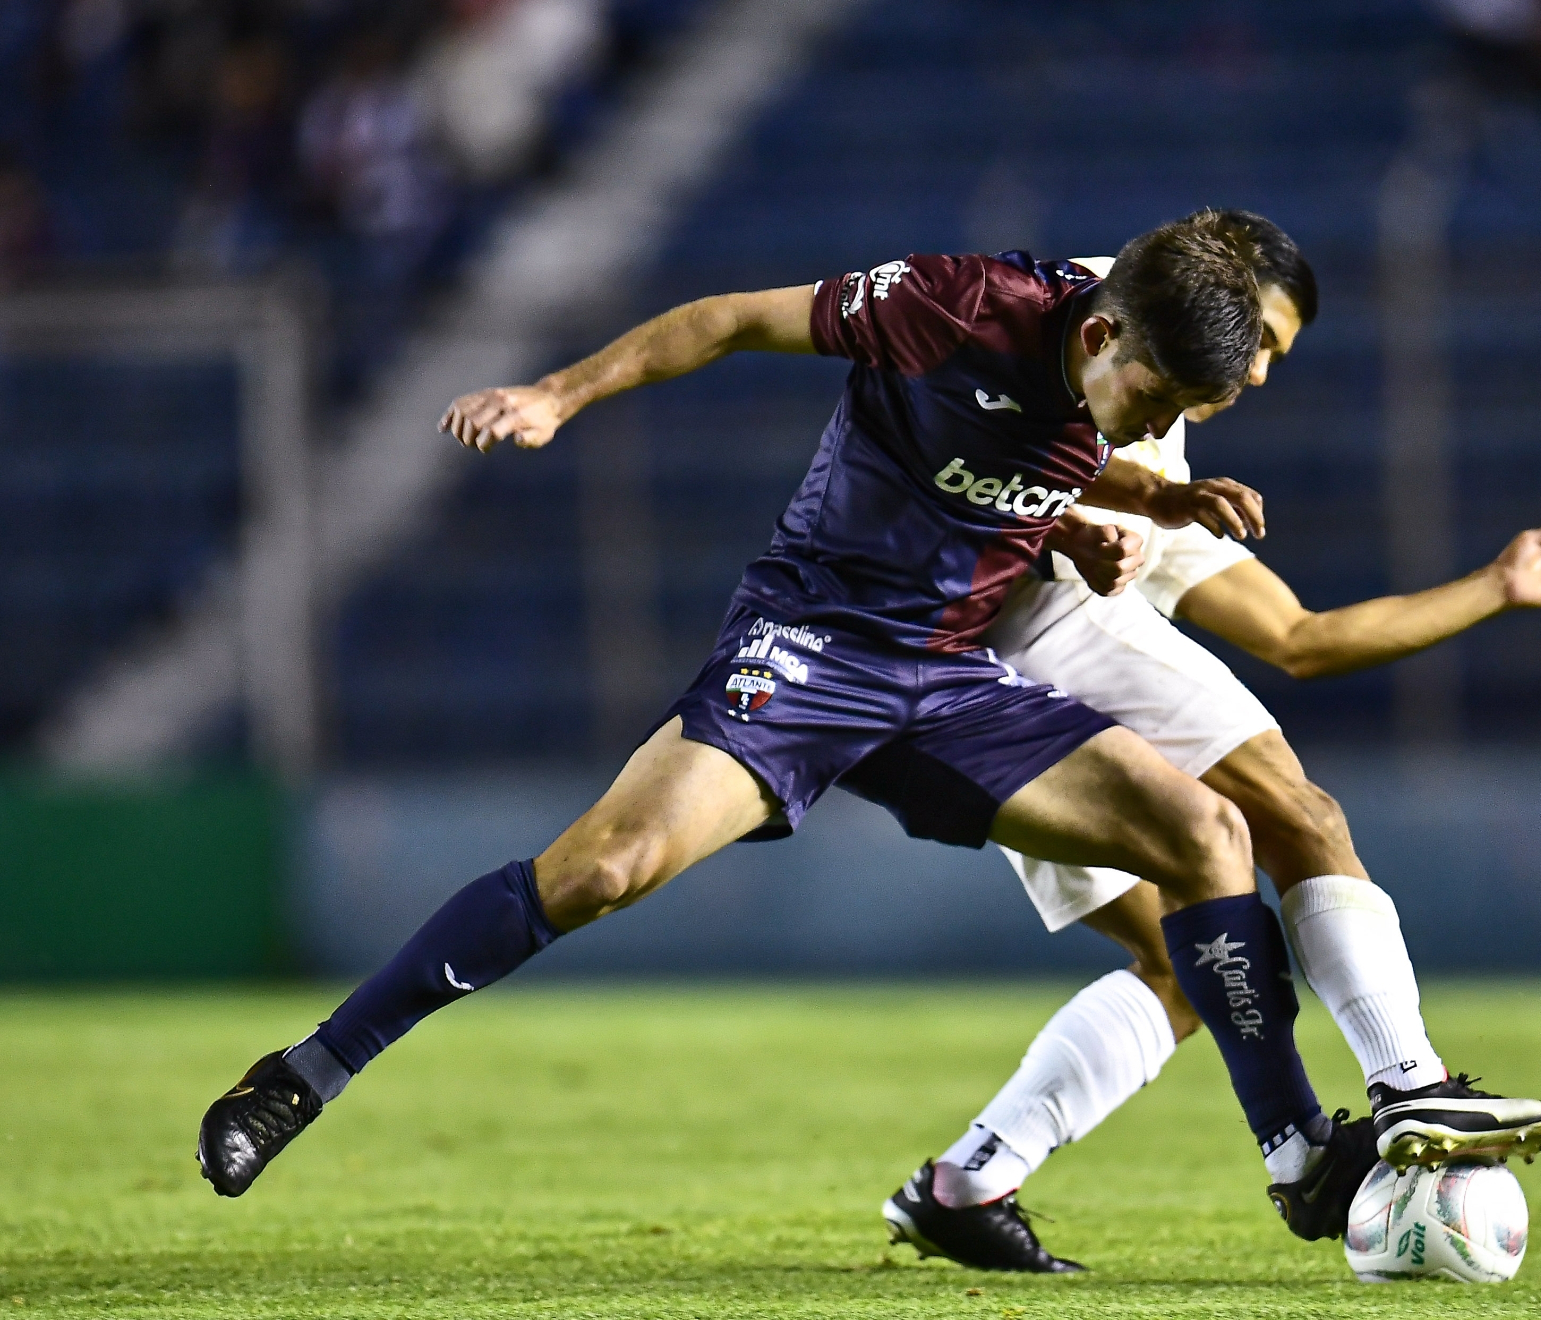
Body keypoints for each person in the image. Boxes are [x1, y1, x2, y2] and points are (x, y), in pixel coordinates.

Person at [195, 215, 1362, 1225]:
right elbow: (725, 321)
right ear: (1105, 336)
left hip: (950, 680)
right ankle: (303, 1075)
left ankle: (1300, 1155)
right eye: (1154, 403)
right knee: (606, 869)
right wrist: (558, 395)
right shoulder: (953, 304)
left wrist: (1146, 497)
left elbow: (1027, 443)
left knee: (1210, 840)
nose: (1150, 424)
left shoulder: (1117, 379)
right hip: (815, 647)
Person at [882, 214, 1541, 1274]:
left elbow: (1300, 641)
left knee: (1183, 966)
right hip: (1006, 636)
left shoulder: (1157, 436)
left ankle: (968, 1182)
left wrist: (1495, 587)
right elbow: (950, 425)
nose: (1258, 373)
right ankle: (1407, 1084)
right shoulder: (1066, 312)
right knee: (1301, 818)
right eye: (1260, 337)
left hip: (948, 680)